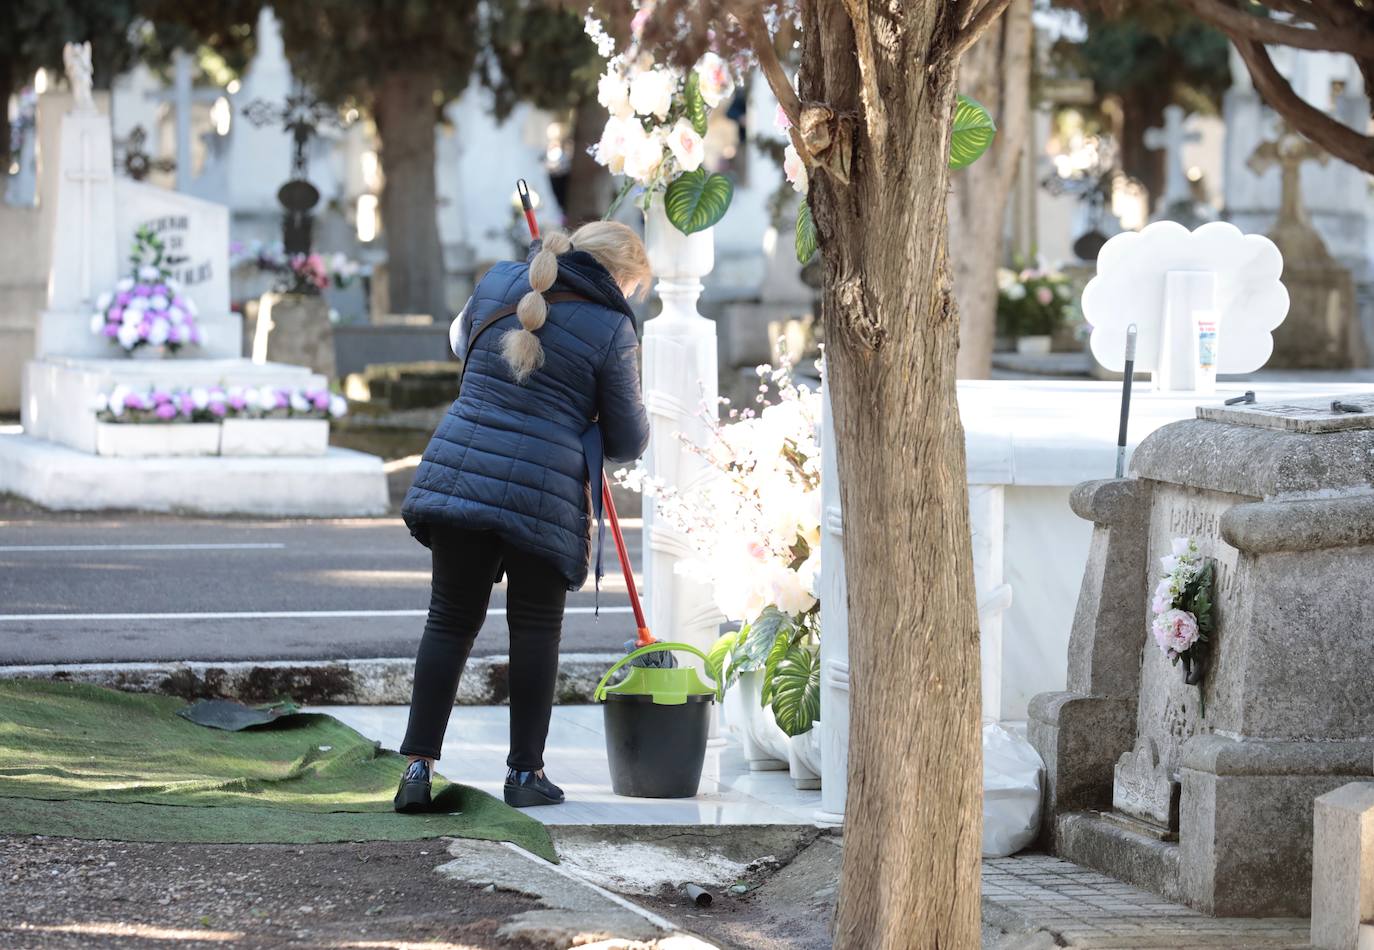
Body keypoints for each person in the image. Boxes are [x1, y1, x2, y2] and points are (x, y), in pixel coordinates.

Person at [394, 221, 652, 812]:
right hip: (544, 492)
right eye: (634, 286)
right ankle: (524, 776)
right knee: (534, 631)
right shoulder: (612, 326)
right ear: (618, 275)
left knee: (449, 621)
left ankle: (415, 768)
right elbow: (629, 438)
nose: (632, 298)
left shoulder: (496, 281)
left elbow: (459, 344)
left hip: (461, 469)